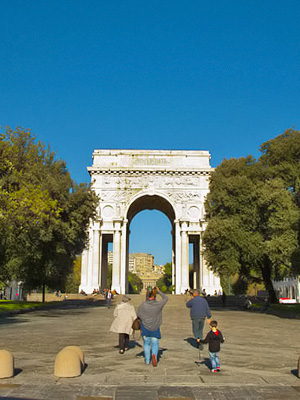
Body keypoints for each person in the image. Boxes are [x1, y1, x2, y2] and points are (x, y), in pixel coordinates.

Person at [137, 286, 168, 367]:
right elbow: (166, 298)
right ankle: (154, 355)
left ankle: (147, 360)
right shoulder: (158, 304)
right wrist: (158, 291)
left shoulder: (143, 304)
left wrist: (144, 319)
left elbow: (139, 314)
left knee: (146, 344)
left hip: (145, 327)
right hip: (155, 327)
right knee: (155, 344)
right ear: (154, 296)